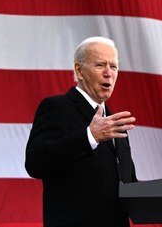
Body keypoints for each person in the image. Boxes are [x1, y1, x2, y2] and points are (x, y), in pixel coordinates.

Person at [25, 36, 138, 227]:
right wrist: (89, 137)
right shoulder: (57, 108)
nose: (108, 73)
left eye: (114, 66)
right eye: (100, 65)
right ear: (79, 70)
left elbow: (129, 184)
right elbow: (35, 162)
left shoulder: (113, 122)